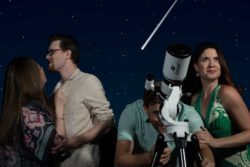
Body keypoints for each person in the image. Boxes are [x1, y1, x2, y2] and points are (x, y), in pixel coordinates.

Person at [115, 44, 215, 167]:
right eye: (157, 113)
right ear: (145, 108)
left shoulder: (189, 114)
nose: (162, 119)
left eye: (164, 112)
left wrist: (208, 161)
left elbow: (204, 147)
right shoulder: (132, 112)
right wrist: (148, 157)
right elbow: (119, 161)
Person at [45, 34, 115, 167]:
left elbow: (106, 120)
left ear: (67, 54)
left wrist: (75, 141)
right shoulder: (57, 88)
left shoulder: (87, 81)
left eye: (51, 52)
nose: (47, 57)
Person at [189, 42, 250, 166]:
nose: (212, 64)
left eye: (216, 59)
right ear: (196, 67)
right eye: (206, 59)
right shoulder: (195, 100)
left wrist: (215, 142)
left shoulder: (227, 93)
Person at [0, 57, 66, 166]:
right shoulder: (28, 114)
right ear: (30, 76)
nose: (42, 68)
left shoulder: (23, 110)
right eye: (38, 67)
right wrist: (60, 109)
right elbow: (59, 145)